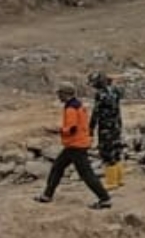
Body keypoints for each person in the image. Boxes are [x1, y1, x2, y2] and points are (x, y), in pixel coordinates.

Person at [34, 81, 112, 209]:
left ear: (65, 94)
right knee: (58, 167)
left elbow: (71, 129)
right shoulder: (78, 104)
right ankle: (47, 195)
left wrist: (57, 130)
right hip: (76, 144)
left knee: (85, 173)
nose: (58, 96)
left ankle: (105, 199)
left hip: (75, 145)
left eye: (60, 93)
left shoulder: (70, 108)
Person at [88, 71, 124, 189]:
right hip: (116, 126)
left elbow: (96, 112)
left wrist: (91, 128)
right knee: (117, 151)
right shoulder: (115, 91)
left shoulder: (101, 94)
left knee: (107, 153)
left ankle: (111, 182)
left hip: (106, 128)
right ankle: (119, 179)